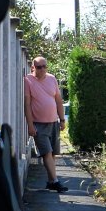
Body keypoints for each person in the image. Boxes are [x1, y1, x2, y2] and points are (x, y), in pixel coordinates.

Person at [24, 56, 66, 193]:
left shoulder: (52, 79)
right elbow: (27, 104)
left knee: (52, 153)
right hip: (39, 124)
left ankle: (50, 182)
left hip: (53, 122)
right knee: (47, 152)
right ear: (33, 68)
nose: (42, 69)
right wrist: (30, 125)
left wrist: (62, 119)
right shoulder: (28, 80)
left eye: (44, 66)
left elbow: (58, 100)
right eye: (39, 67)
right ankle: (56, 181)